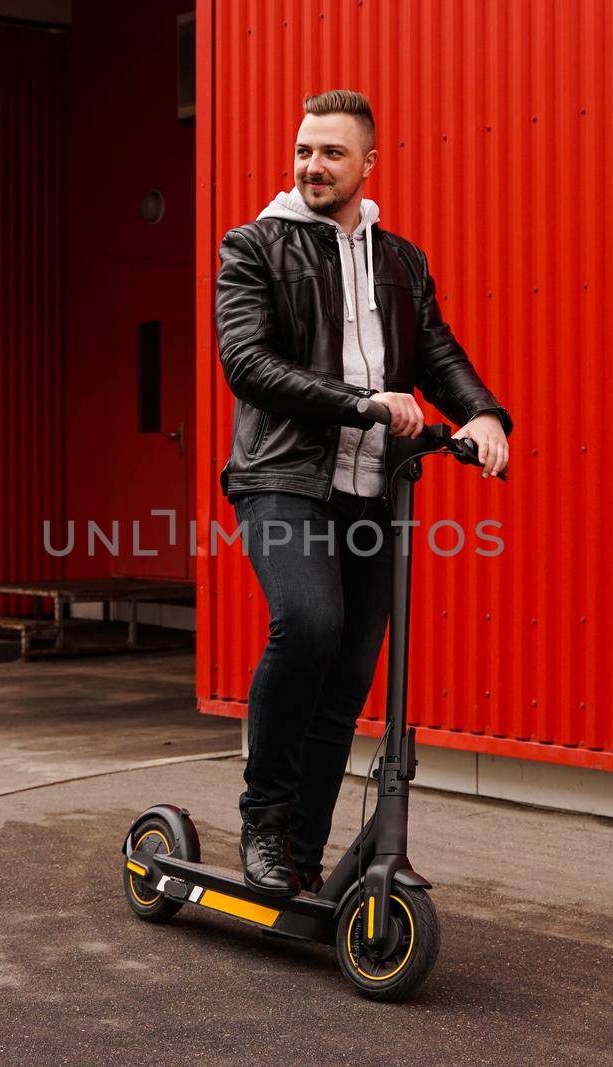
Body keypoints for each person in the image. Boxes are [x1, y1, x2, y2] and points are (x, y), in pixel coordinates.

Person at [213, 89, 513, 896]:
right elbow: (248, 363)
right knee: (308, 622)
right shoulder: (253, 247)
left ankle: (301, 853)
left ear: (368, 163)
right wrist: (363, 404)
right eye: (305, 149)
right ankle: (263, 823)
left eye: (331, 153)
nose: (312, 164)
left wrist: (481, 412)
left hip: (372, 491)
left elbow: (437, 351)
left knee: (348, 674)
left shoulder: (401, 261)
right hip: (282, 478)